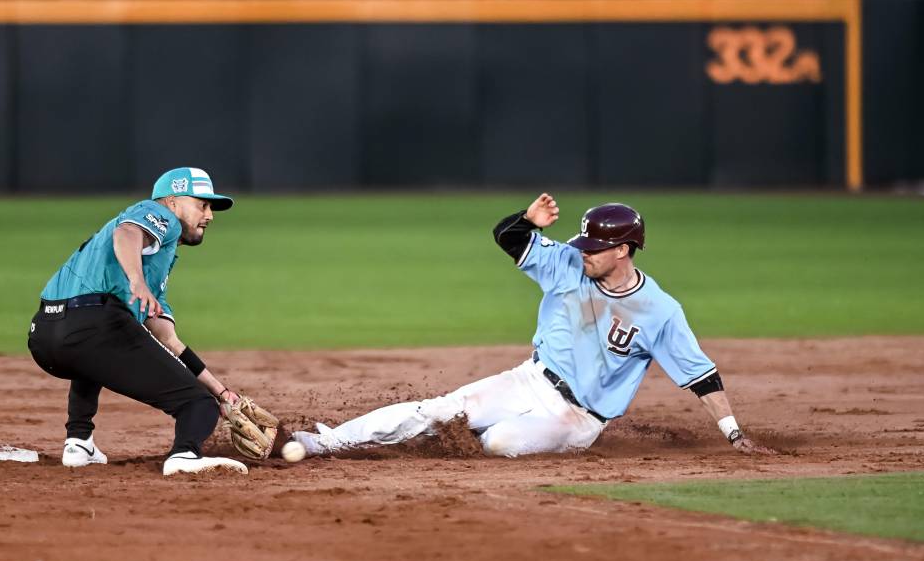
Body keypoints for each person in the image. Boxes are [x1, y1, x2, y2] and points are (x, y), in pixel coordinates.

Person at [286, 193, 773, 459]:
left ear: (623, 250)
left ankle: (456, 437)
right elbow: (508, 237)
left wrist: (734, 435)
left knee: (498, 442)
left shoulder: (661, 310)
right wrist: (528, 218)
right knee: (438, 410)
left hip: (578, 419)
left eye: (593, 249)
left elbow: (701, 377)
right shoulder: (566, 263)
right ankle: (325, 442)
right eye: (580, 245)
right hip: (529, 378)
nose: (581, 253)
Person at [28, 167, 252, 476]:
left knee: (92, 359)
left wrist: (222, 393)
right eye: (202, 204)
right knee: (197, 405)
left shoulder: (155, 260)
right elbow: (128, 234)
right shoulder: (158, 215)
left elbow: (168, 339)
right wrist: (137, 281)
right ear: (172, 201)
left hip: (45, 336)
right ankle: (184, 456)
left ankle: (79, 442)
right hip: (94, 327)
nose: (209, 215)